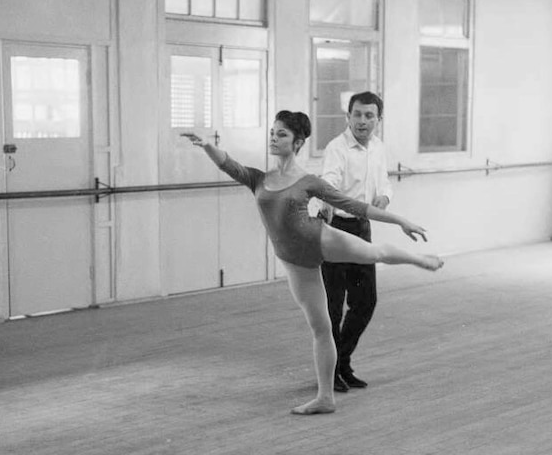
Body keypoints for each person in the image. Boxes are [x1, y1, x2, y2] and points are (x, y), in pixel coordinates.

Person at [182, 111, 442, 415]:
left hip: (319, 239)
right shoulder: (259, 179)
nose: (274, 138)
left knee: (374, 254)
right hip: (294, 262)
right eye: (273, 132)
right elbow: (229, 164)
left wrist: (400, 220)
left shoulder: (308, 181)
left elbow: (355, 206)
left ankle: (419, 259)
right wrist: (205, 146)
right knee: (322, 328)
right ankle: (325, 397)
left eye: (282, 135)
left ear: (298, 142)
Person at [317, 91, 391, 393]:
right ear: (348, 117)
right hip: (336, 229)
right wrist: (327, 203)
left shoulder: (378, 148)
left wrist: (385, 196)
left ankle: (342, 361)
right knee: (333, 307)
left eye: (369, 115)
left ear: (378, 119)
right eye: (357, 114)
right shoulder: (337, 148)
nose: (363, 121)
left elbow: (383, 181)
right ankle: (331, 370)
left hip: (361, 228)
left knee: (365, 301)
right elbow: (329, 180)